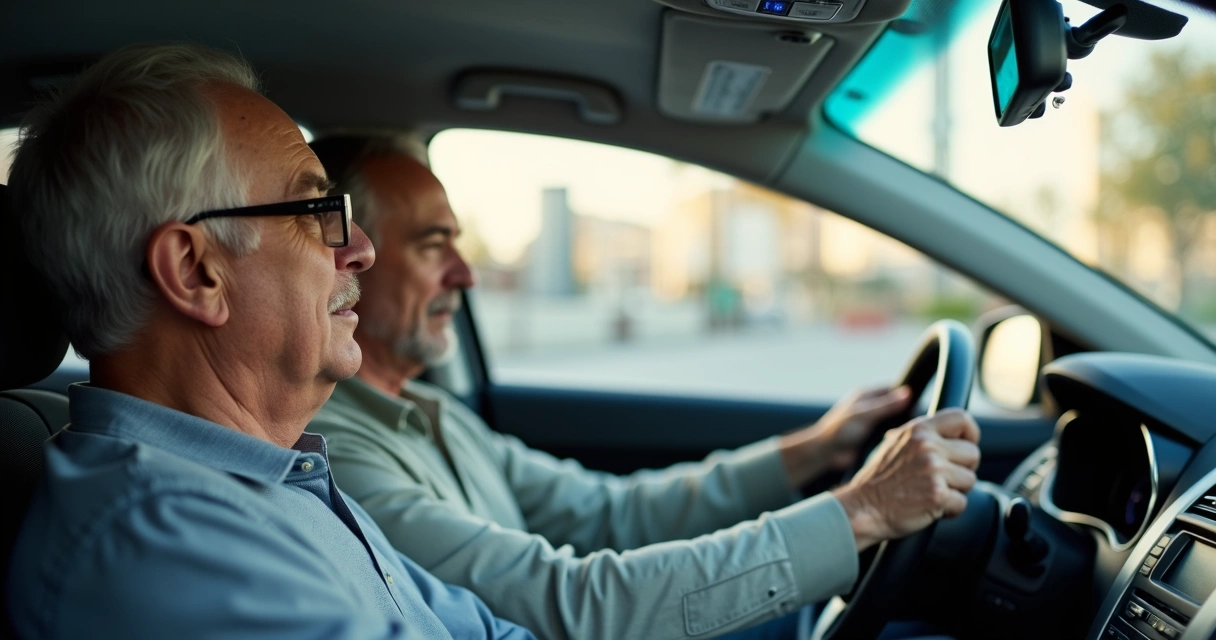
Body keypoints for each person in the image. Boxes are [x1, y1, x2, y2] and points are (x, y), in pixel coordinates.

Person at [307, 136, 983, 640]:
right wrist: (863, 510)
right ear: (350, 261)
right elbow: (565, 601)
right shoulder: (341, 456)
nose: (466, 273)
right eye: (433, 245)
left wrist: (813, 449)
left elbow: (612, 513)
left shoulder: (433, 412)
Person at [5, 44, 538, 639]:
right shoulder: (166, 543)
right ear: (194, 272)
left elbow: (486, 630)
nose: (361, 248)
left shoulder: (274, 475)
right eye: (314, 210)